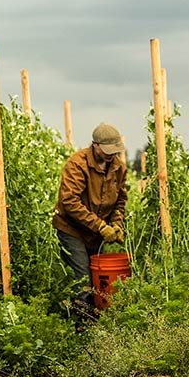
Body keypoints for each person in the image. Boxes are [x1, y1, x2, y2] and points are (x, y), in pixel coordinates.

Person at [52, 123, 128, 309]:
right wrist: (101, 226)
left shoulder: (119, 168)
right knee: (83, 278)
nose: (112, 155)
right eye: (107, 151)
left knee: (97, 278)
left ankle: (96, 319)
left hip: (96, 234)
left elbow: (120, 201)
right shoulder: (77, 165)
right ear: (95, 145)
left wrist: (117, 224)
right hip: (72, 229)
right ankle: (81, 323)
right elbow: (69, 202)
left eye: (115, 151)